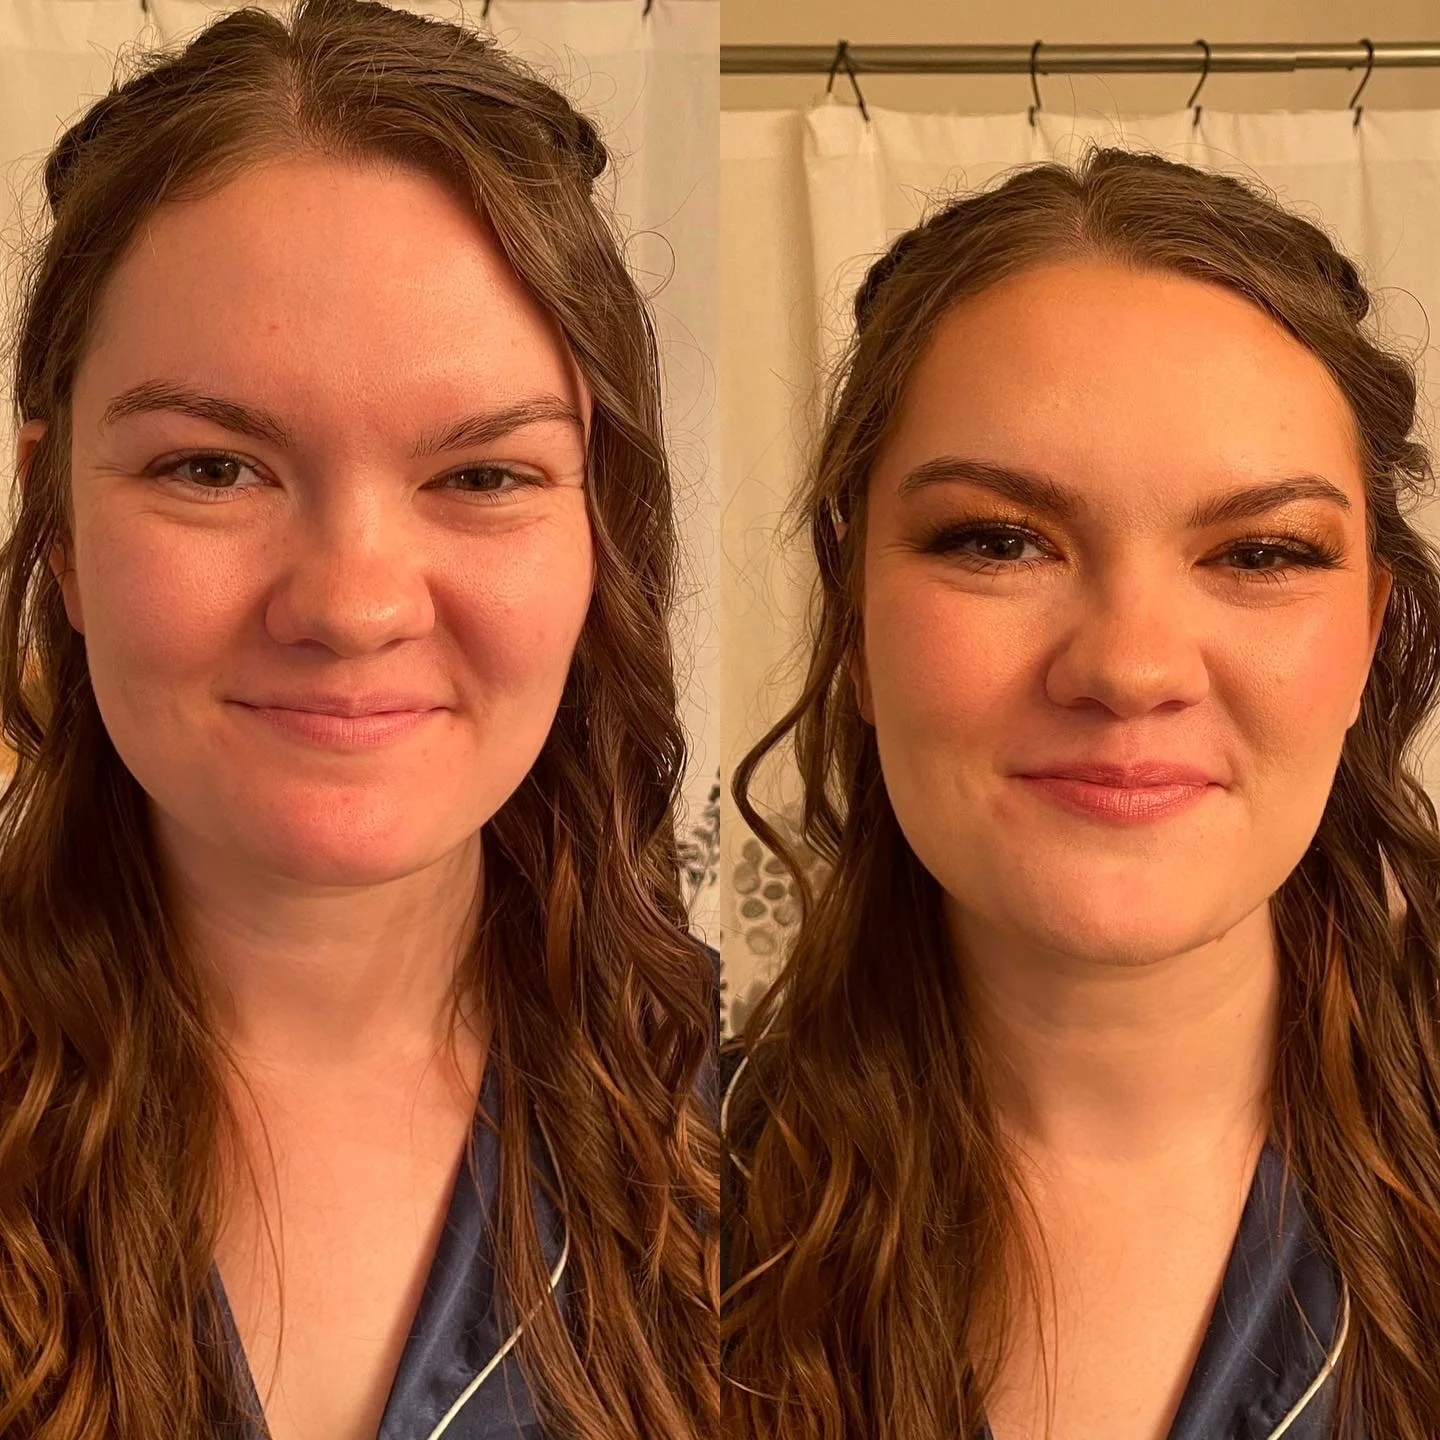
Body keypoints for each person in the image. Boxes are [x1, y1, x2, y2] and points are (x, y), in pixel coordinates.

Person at [0, 1, 718, 1436]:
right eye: (213, 468)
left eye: (481, 476)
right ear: (56, 522)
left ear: (602, 530)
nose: (349, 603)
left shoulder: (769, 1141)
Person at [720, 144, 1440, 1440]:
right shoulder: (642, 1208)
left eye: (1263, 552)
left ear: (1371, 639)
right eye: (998, 541)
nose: (1128, 666)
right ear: (856, 617)